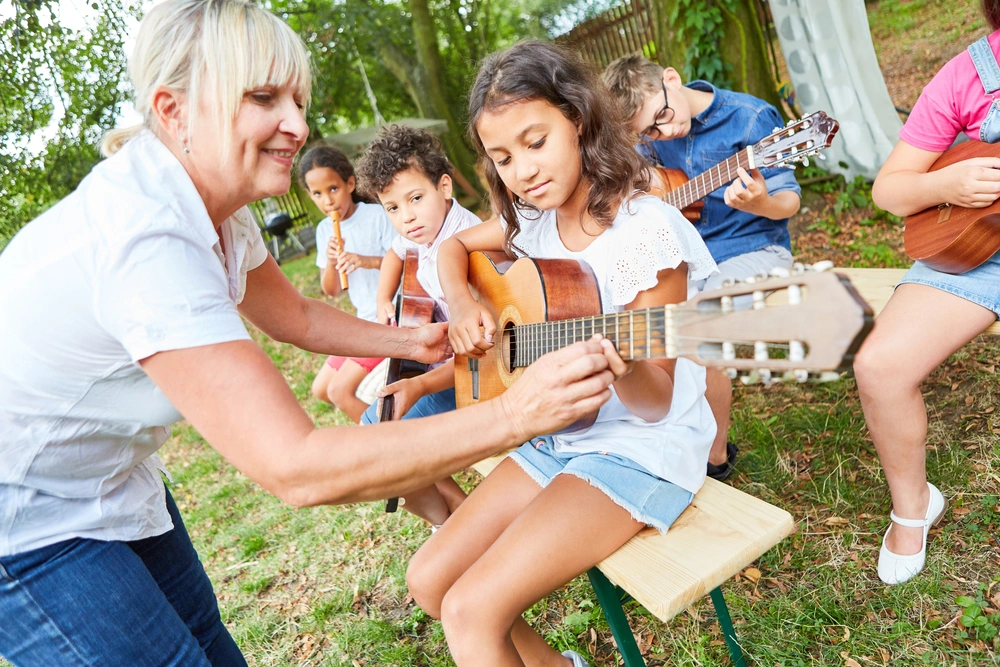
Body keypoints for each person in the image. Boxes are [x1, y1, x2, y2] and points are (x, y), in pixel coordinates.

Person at [0, 5, 622, 666]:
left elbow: (294, 316)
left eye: (297, 98)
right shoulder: (145, 240)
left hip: (112, 481)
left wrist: (413, 345)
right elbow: (295, 466)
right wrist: (514, 413)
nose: (297, 124)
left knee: (209, 645)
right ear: (173, 109)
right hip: (28, 524)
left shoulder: (215, 204)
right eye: (264, 97)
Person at [406, 41, 719, 667]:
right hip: (560, 432)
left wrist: (620, 363)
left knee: (472, 609)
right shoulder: (533, 219)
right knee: (431, 581)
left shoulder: (645, 235)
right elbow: (451, 247)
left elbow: (656, 401)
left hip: (638, 448)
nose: (521, 169)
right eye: (503, 157)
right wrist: (466, 303)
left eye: (535, 141)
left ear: (577, 119)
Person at [602, 54, 802, 481]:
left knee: (693, 324)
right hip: (688, 260)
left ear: (671, 79)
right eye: (650, 131)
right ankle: (650, 438)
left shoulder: (749, 119)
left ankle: (715, 456)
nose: (664, 132)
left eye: (663, 115)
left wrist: (760, 202)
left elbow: (789, 201)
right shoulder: (646, 138)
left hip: (753, 249)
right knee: (632, 322)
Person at [854, 0, 1000, 585]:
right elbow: (888, 190)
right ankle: (913, 508)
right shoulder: (968, 75)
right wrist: (948, 182)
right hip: (978, 252)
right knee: (880, 366)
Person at [354, 123, 483, 528]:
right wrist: (381, 300)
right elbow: (396, 254)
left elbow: (486, 350)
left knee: (377, 432)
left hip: (481, 376)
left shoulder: (471, 244)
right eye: (392, 208)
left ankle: (456, 523)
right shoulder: (422, 232)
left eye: (415, 198)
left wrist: (421, 384)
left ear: (445, 187)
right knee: (376, 428)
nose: (406, 217)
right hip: (447, 363)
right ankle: (454, 519)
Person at [300, 144, 396, 422]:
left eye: (333, 189)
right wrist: (331, 259)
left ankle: (389, 442)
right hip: (362, 320)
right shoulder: (323, 230)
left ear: (350, 183)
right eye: (317, 194)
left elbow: (403, 263)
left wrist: (366, 261)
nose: (327, 201)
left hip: (388, 318)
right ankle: (381, 421)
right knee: (320, 389)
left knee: (339, 391)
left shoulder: (376, 216)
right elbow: (330, 290)